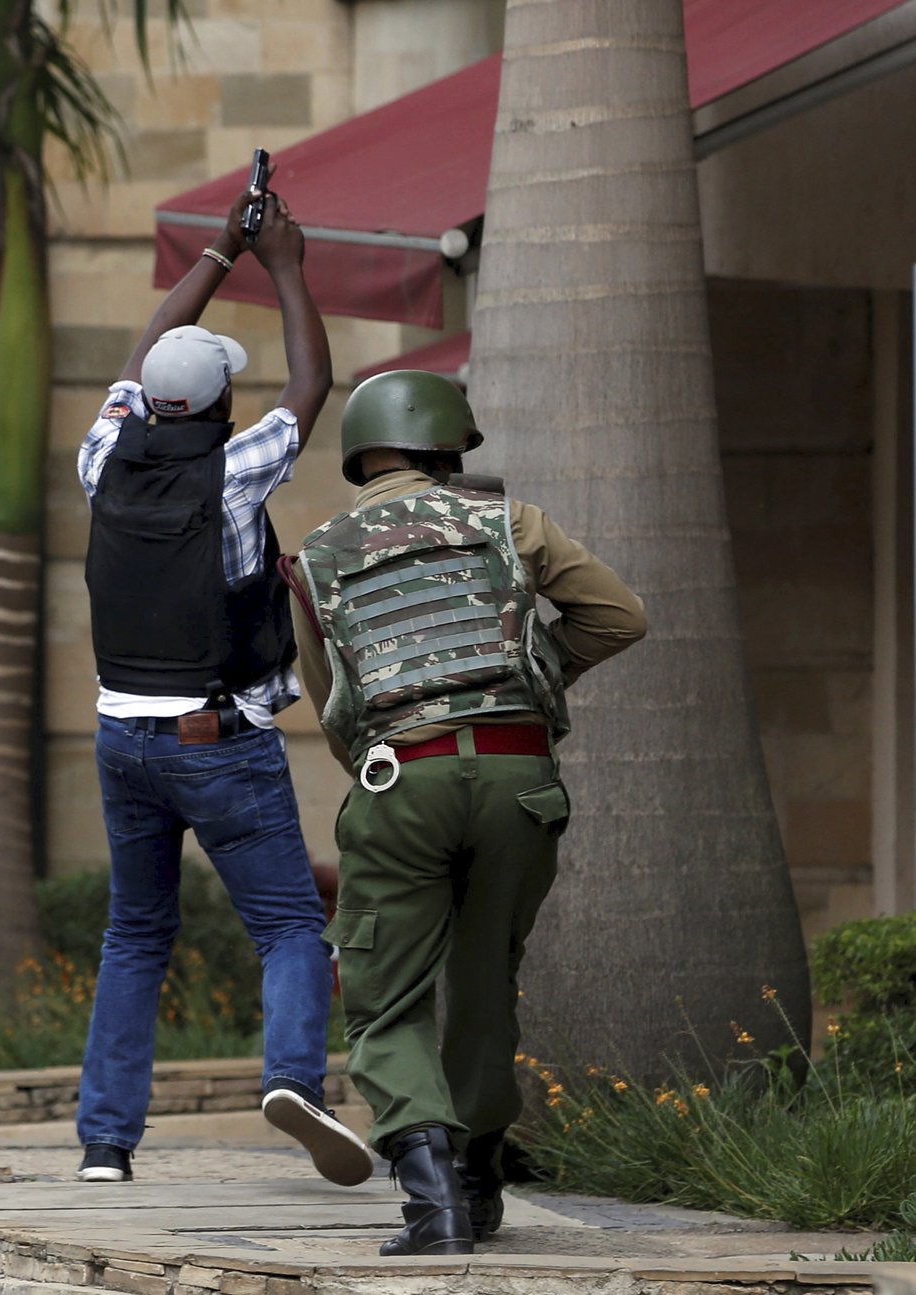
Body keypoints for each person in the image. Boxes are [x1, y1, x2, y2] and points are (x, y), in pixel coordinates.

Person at [284, 369, 647, 1256]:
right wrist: (529, 681)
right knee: (486, 980)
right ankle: (481, 1183)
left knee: (384, 996)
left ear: (362, 452)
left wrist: (391, 772)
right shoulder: (508, 523)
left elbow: (334, 705)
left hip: (398, 777)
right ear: (450, 446)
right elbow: (619, 616)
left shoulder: (319, 555)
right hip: (522, 779)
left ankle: (433, 1202)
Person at [74, 178, 373, 1191]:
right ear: (216, 405)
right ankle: (294, 1078)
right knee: (290, 923)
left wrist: (216, 254)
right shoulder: (236, 473)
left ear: (151, 398)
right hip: (217, 738)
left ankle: (104, 1145)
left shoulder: (102, 454)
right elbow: (311, 387)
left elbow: (141, 354)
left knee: (134, 933)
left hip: (120, 736)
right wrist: (284, 263)